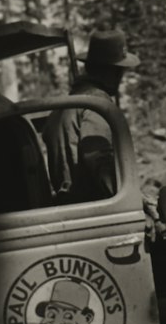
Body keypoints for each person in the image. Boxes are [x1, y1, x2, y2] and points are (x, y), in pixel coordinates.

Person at [43, 31, 139, 203]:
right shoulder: (97, 105)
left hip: (69, 205)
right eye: (120, 72)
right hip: (96, 206)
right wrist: (134, 198)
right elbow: (98, 159)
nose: (120, 79)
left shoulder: (62, 106)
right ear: (112, 72)